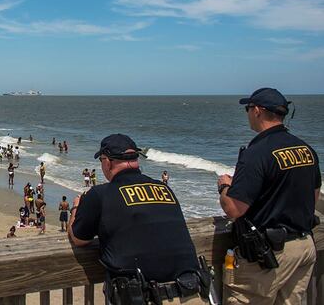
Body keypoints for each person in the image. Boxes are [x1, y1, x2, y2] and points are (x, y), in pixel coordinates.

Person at [68, 134, 208, 304]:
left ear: (107, 161)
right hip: (191, 293)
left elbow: (79, 238)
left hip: (142, 296)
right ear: (136, 159)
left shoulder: (100, 194)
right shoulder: (163, 189)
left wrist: (76, 206)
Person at [218, 88, 320, 304]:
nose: (247, 114)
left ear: (257, 111)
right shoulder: (305, 149)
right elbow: (313, 195)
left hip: (268, 255)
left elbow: (234, 209)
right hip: (304, 245)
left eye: (247, 108)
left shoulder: (256, 153)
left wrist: (225, 187)